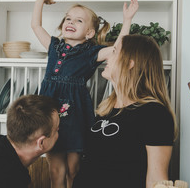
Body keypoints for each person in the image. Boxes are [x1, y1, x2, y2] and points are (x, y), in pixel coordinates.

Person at [31, 0, 138, 188]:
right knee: (55, 169)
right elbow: (36, 26)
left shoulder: (91, 53)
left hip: (75, 114)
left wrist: (127, 20)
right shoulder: (54, 46)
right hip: (49, 111)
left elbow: (117, 49)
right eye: (68, 18)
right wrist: (40, 1)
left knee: (74, 169)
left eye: (78, 20)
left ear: (89, 33)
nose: (70, 22)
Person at [73, 34, 177, 188]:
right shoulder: (107, 107)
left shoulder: (155, 114)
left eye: (114, 52)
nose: (108, 57)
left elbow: (157, 180)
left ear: (129, 63)